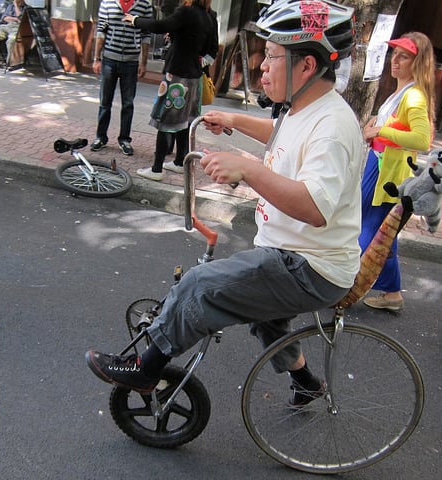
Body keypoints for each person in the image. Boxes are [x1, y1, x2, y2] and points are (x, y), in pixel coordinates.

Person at [86, 0, 362, 407]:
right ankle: (305, 381)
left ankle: (147, 368)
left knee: (200, 284)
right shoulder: (306, 107)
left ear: (307, 66)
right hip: (293, 253)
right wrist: (235, 121)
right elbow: (279, 132)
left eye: (271, 57)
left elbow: (314, 208)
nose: (262, 66)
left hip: (310, 267)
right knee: (267, 322)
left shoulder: (333, 129)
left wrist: (248, 170)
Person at [360, 32, 436, 312]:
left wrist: (380, 130)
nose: (396, 60)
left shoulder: (413, 94)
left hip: (387, 174)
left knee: (367, 228)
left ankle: (344, 289)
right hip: (382, 167)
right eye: (395, 54)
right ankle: (392, 294)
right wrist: (376, 125)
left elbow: (422, 139)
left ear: (419, 62)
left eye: (404, 56)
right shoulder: (404, 91)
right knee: (382, 231)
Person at [124, 0, 216, 181]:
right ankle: (180, 162)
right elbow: (207, 48)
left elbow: (159, 25)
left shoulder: (187, 12)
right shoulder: (209, 16)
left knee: (164, 120)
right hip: (194, 77)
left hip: (177, 76)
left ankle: (156, 169)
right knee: (185, 123)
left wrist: (135, 20)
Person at [90, 0, 153, 156]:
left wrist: (143, 63)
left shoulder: (144, 5)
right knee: (105, 102)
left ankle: (124, 139)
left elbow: (146, 35)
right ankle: (100, 137)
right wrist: (97, 58)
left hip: (131, 62)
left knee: (128, 103)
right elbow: (101, 31)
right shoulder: (107, 3)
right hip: (109, 60)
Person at [0, 0, 26, 67]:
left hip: (17, 28)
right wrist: (15, 19)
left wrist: (16, 5)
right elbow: (4, 18)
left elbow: (21, 18)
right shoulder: (10, 6)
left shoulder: (27, 8)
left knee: (11, 40)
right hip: (7, 26)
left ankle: (10, 63)